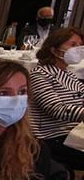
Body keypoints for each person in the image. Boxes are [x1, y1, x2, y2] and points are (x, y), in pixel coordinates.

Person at [28, 26, 84, 169]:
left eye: (80, 45)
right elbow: (56, 109)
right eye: (73, 45)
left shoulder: (69, 75)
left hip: (70, 135)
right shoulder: (40, 74)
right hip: (48, 140)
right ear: (53, 49)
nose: (78, 49)